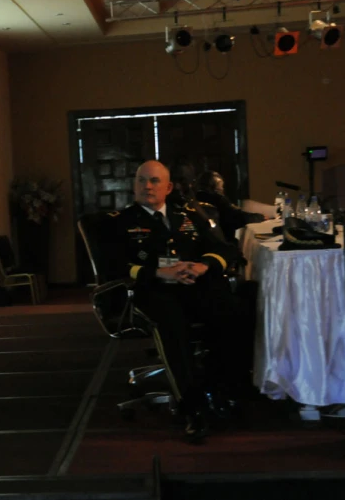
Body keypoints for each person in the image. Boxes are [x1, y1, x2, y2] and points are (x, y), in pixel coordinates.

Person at [105, 160, 253, 442]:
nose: (147, 186)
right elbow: (111, 266)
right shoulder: (121, 222)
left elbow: (223, 248)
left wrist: (205, 266)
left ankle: (225, 390)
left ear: (169, 187)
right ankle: (193, 409)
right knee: (173, 324)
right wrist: (158, 272)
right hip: (154, 289)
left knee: (234, 311)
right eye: (141, 180)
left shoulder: (186, 215)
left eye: (154, 181)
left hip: (195, 283)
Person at [195, 171, 265, 244]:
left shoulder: (195, 198)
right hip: (222, 242)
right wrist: (259, 217)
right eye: (221, 186)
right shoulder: (218, 200)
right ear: (215, 188)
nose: (222, 189)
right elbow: (236, 217)